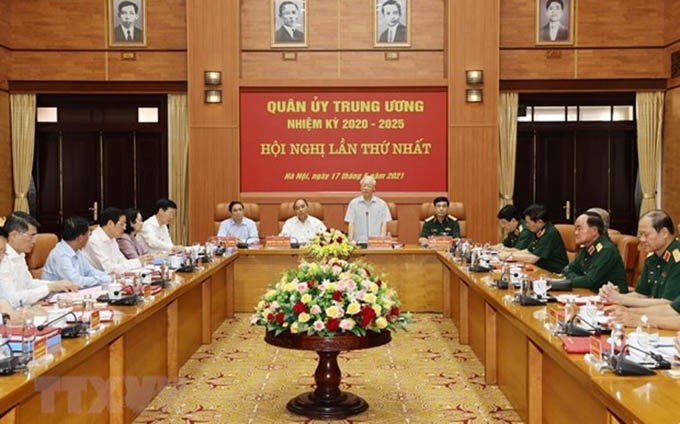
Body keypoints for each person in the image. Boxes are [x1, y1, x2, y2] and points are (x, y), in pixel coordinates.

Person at [600, 210, 680, 326]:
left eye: (646, 234)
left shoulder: (677, 259)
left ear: (663, 233)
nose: (641, 239)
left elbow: (669, 306)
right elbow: (641, 294)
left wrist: (623, 303)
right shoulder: (652, 257)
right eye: (640, 235)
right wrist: (615, 298)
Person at [0, 212, 79, 310]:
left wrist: (57, 284)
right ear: (14, 235)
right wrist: (49, 287)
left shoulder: (19, 254)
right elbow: (11, 299)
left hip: (25, 310)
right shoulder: (3, 259)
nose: (34, 241)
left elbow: (28, 283)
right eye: (31, 236)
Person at [562, 212, 628, 293]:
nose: (575, 233)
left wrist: (570, 279)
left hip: (612, 300)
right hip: (590, 294)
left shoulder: (607, 250)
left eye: (579, 229)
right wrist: (577, 279)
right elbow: (568, 268)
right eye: (575, 229)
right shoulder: (585, 246)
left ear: (594, 230)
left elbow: (589, 281)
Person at [42, 217, 112, 288]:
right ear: (80, 238)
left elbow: (89, 271)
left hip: (73, 293)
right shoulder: (60, 255)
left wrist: (109, 277)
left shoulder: (76, 250)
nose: (89, 237)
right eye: (89, 234)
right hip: (56, 296)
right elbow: (76, 282)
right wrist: (100, 279)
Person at [499, 204, 568, 273]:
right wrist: (510, 254)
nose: (526, 225)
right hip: (541, 269)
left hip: (555, 273)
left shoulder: (549, 233)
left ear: (539, 222)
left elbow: (534, 258)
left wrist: (510, 256)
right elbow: (528, 250)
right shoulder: (539, 230)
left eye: (528, 223)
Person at [83, 207, 152, 273]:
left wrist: (140, 260)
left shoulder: (112, 239)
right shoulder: (93, 241)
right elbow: (109, 269)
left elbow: (122, 261)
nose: (124, 228)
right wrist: (138, 262)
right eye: (121, 224)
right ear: (110, 223)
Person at [344, 175, 392, 243]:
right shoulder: (353, 203)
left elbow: (384, 223)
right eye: (364, 186)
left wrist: (382, 240)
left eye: (369, 186)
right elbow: (351, 223)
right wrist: (350, 240)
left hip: (375, 242)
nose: (366, 188)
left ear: (373, 188)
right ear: (360, 188)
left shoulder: (382, 204)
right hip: (359, 242)